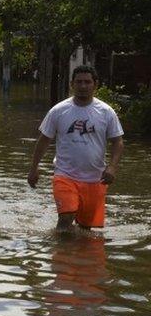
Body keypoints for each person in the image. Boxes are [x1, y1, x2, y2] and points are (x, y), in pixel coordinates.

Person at [28, 65, 124, 230]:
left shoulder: (106, 112)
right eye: (79, 82)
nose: (83, 86)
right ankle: (59, 252)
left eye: (87, 82)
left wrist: (112, 167)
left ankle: (76, 253)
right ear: (72, 84)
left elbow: (118, 141)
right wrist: (33, 168)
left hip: (95, 179)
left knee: (87, 230)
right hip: (65, 175)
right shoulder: (58, 111)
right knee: (66, 217)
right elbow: (44, 140)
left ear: (95, 84)